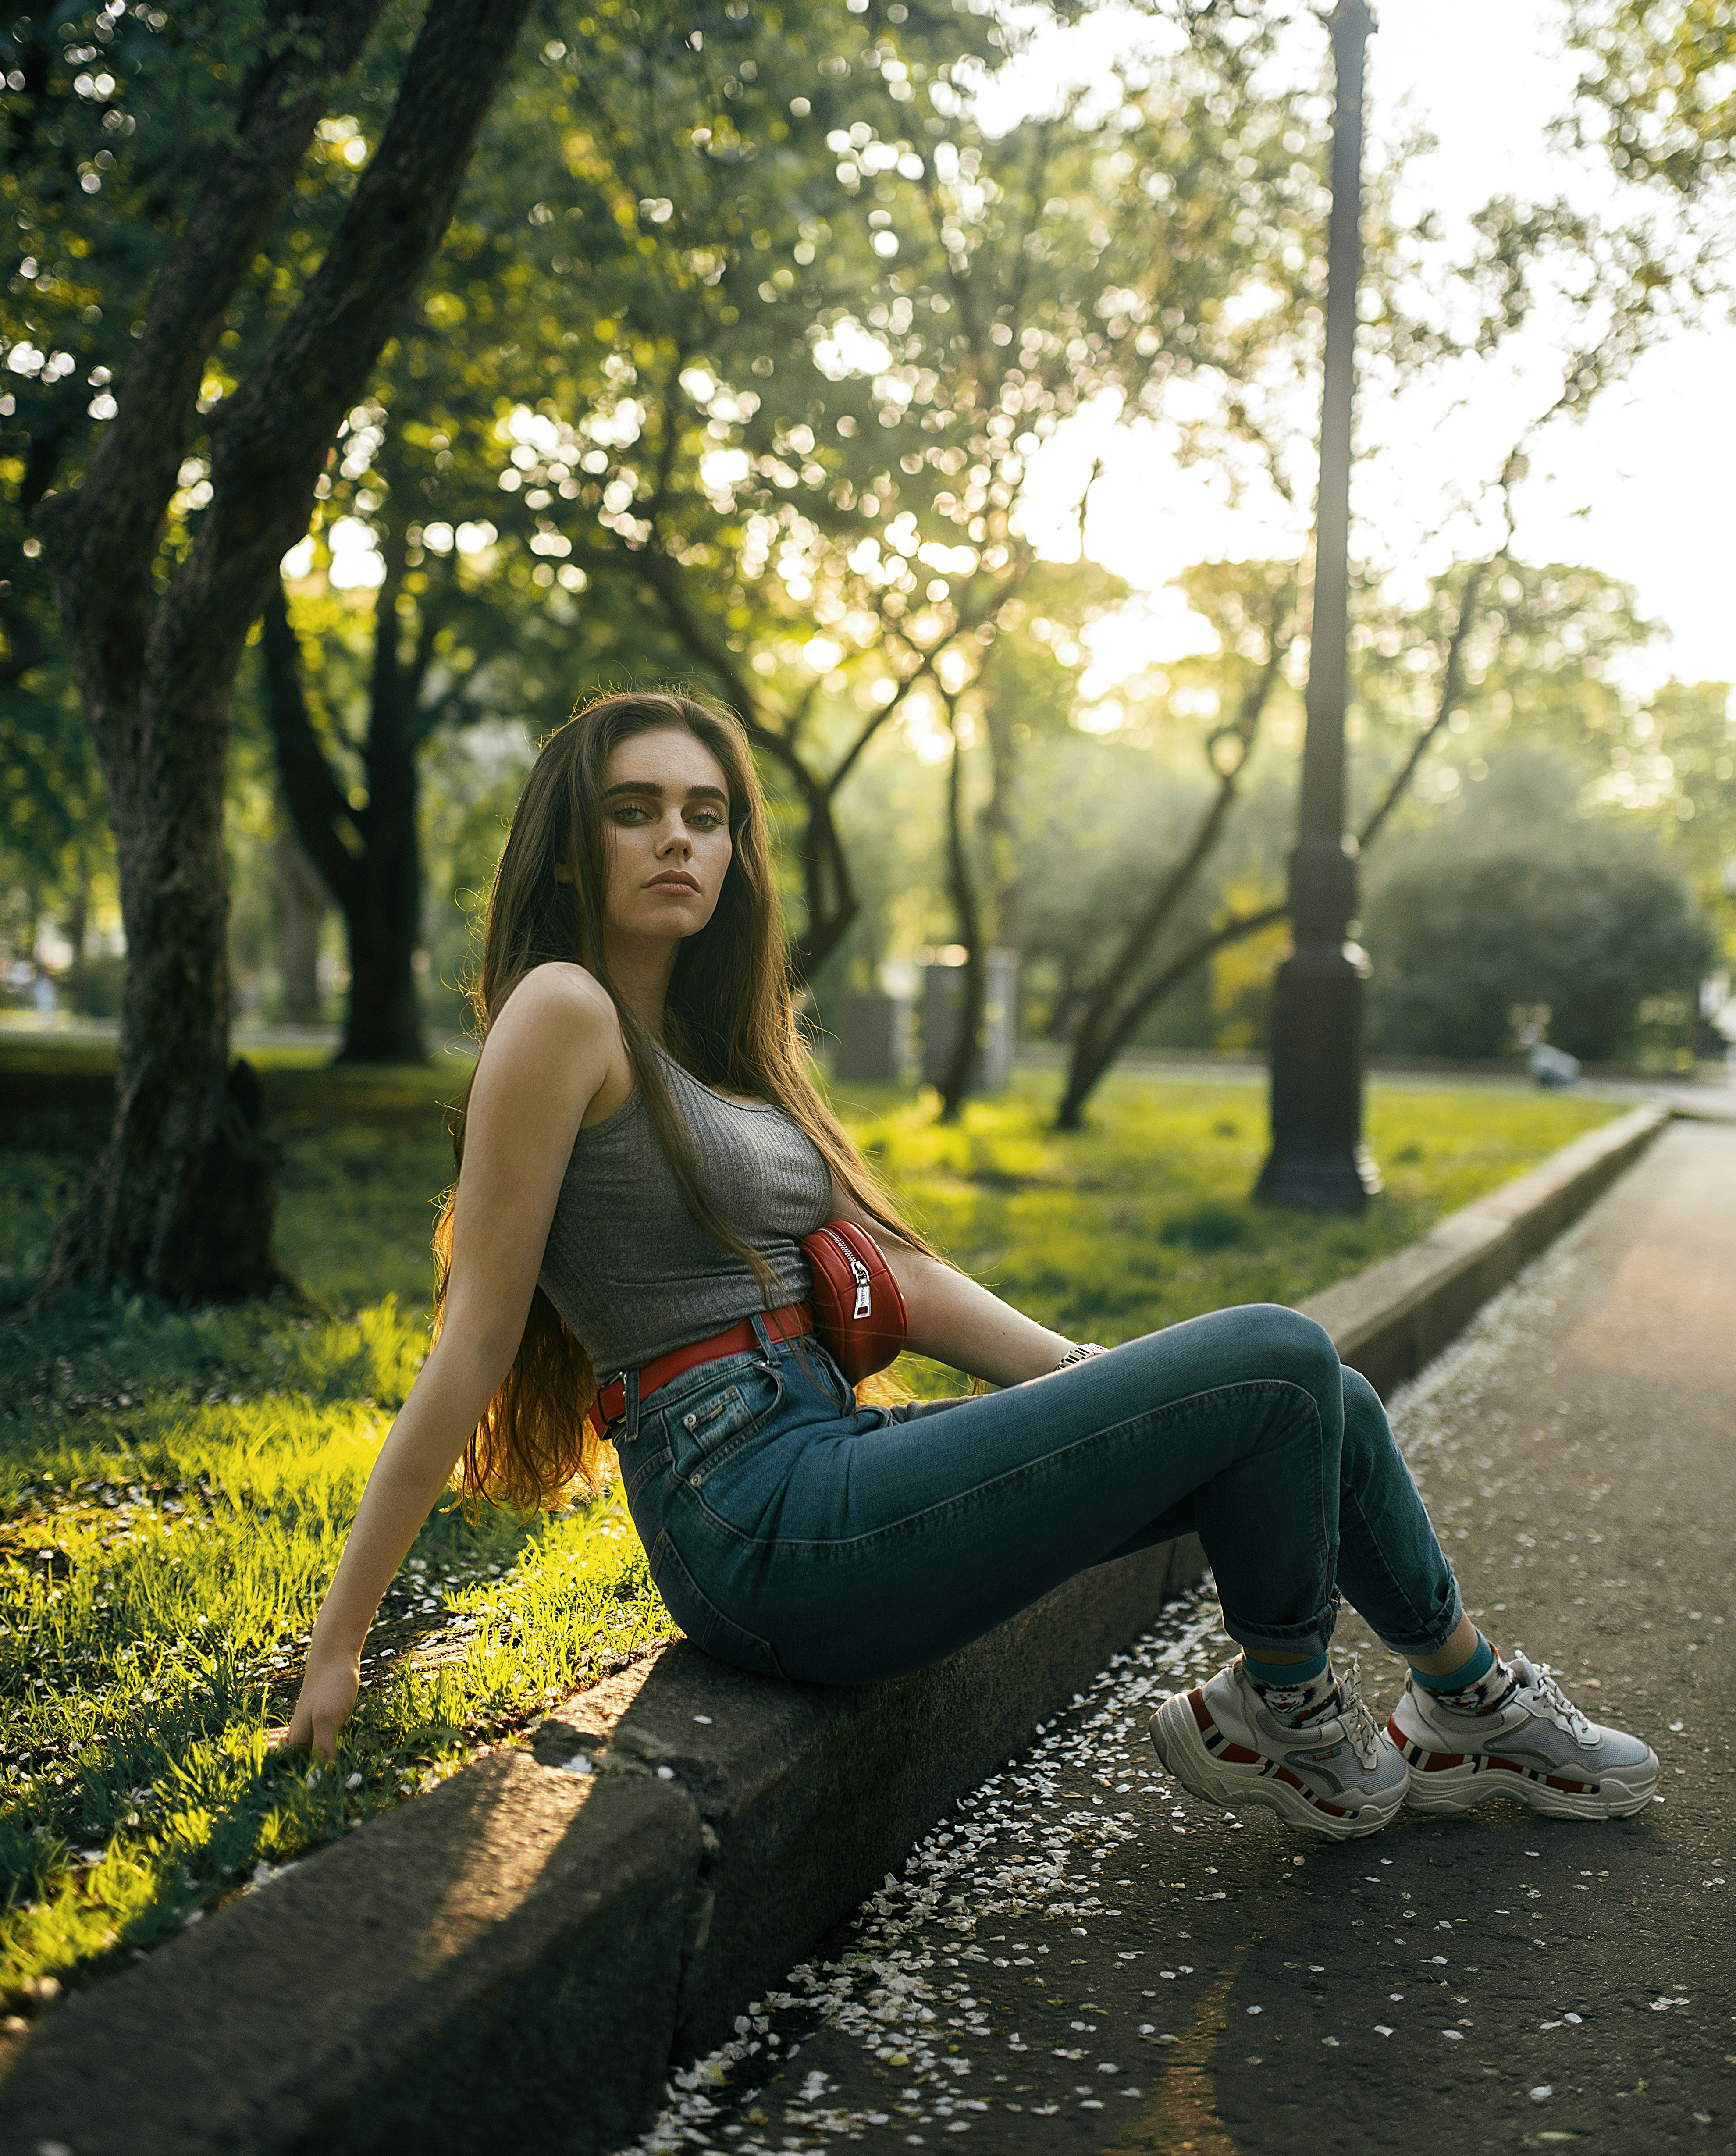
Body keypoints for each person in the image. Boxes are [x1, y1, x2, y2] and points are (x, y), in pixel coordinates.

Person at [278, 692, 1658, 1841]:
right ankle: (1281, 1710)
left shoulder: (719, 1052)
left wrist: (1100, 1385)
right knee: (1286, 1352)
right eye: (635, 810)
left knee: (1318, 1400)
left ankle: (1464, 1702)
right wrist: (342, 1643)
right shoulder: (562, 1013)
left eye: (706, 814)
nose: (676, 840)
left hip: (830, 1457)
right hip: (757, 1520)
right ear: (570, 849)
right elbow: (470, 1343)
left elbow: (895, 1278)